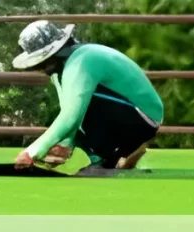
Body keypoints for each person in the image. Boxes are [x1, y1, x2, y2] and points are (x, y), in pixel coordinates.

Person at [11, 21, 165, 171]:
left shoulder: (82, 61)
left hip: (143, 118)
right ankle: (104, 161)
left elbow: (70, 116)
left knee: (78, 108)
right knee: (70, 121)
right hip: (130, 114)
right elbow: (67, 112)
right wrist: (65, 144)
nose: (42, 68)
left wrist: (32, 152)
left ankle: (122, 152)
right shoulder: (60, 72)